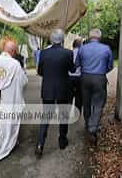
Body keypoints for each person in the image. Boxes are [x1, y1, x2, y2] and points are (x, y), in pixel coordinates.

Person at [35, 29, 75, 159]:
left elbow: (40, 71)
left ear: (51, 40)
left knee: (45, 117)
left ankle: (40, 144)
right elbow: (72, 69)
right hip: (63, 89)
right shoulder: (68, 53)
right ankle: (62, 141)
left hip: (48, 89)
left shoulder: (43, 53)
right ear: (62, 40)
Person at [75, 28, 113, 145]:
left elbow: (77, 64)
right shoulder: (106, 49)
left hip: (85, 78)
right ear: (99, 37)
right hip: (99, 78)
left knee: (86, 102)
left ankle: (88, 125)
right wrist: (102, 71)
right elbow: (110, 66)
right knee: (98, 103)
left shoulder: (82, 48)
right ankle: (93, 128)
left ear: (89, 37)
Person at [68, 39, 83, 115]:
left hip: (69, 77)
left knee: (69, 96)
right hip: (80, 77)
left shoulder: (68, 53)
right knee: (79, 96)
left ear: (73, 45)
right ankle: (77, 114)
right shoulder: (83, 53)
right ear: (80, 45)